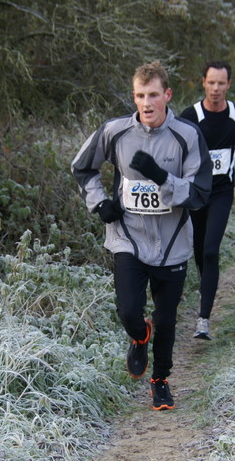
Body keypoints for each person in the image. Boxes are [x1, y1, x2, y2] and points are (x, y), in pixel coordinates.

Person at [72, 60, 212, 410]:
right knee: (130, 311)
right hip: (127, 238)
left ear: (167, 95)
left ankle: (160, 381)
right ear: (133, 97)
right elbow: (83, 167)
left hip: (172, 244)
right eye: (139, 95)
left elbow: (199, 194)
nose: (146, 103)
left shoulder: (187, 136)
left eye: (153, 95)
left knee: (166, 320)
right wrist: (100, 203)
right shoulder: (115, 131)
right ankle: (138, 335)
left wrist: (163, 178)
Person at [180, 60, 235, 340]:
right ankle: (206, 286)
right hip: (196, 192)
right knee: (200, 251)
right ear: (203, 83)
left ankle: (203, 319)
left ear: (229, 85)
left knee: (211, 250)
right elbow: (174, 143)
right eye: (211, 82)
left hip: (222, 192)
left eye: (221, 83)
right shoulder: (191, 115)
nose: (215, 88)